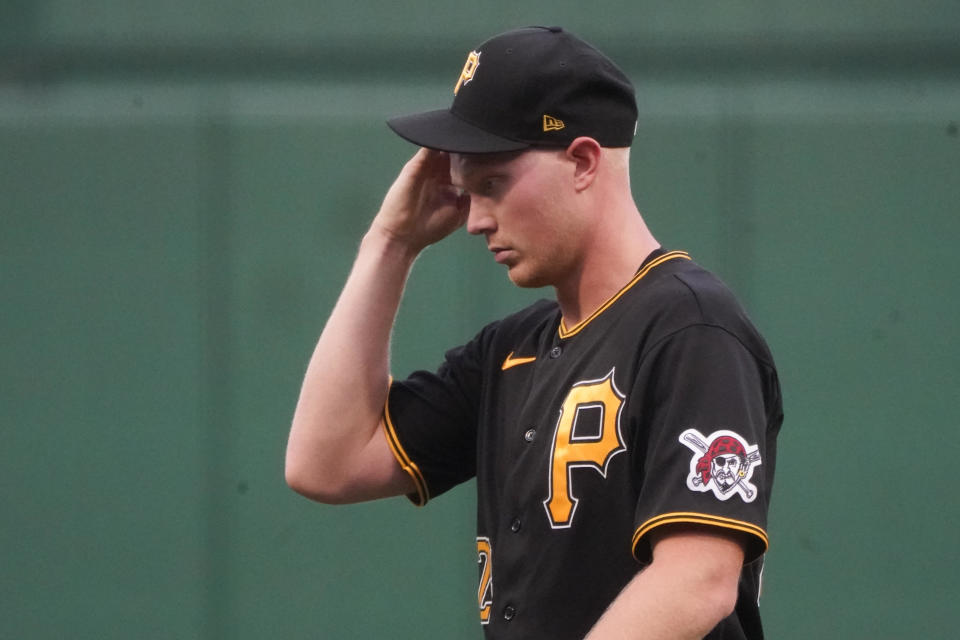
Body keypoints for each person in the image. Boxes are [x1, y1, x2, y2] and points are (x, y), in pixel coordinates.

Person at [286, 25, 783, 640]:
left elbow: (697, 581)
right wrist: (389, 245)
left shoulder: (690, 328)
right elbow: (326, 464)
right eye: (466, 192)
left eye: (491, 185)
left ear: (581, 161)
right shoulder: (511, 351)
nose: (473, 220)